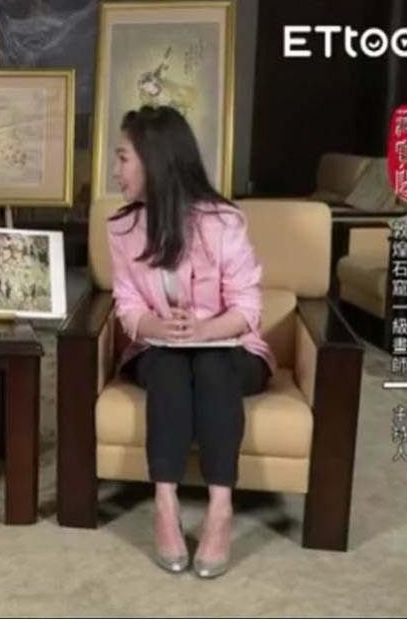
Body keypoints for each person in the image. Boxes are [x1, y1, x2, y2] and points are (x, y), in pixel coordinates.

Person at [107, 105, 274, 579]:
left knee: (210, 366)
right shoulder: (122, 228)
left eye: (123, 158)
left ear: (154, 159)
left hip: (230, 349)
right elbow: (126, 303)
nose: (115, 171)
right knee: (168, 365)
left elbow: (247, 307)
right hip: (157, 349)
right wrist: (156, 328)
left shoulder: (223, 222)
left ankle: (220, 508)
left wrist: (203, 331)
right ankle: (166, 502)